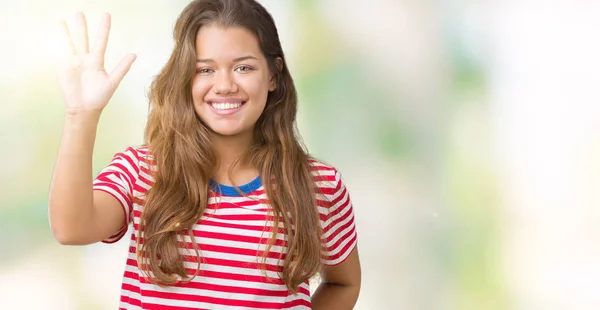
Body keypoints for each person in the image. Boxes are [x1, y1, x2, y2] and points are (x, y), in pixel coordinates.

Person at [48, 0, 361, 309]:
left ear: (273, 75)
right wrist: (81, 113)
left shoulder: (318, 184)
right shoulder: (141, 170)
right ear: (185, 78)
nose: (224, 85)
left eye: (243, 67)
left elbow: (343, 282)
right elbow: (71, 228)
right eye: (205, 70)